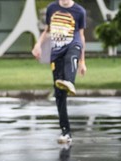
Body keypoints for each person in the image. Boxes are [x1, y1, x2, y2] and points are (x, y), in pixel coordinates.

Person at [32, 0, 87, 144]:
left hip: (73, 45)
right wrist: (38, 44)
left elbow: (81, 36)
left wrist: (82, 62)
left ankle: (70, 81)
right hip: (56, 53)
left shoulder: (79, 11)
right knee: (59, 95)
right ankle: (65, 131)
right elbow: (47, 31)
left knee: (71, 56)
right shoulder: (52, 8)